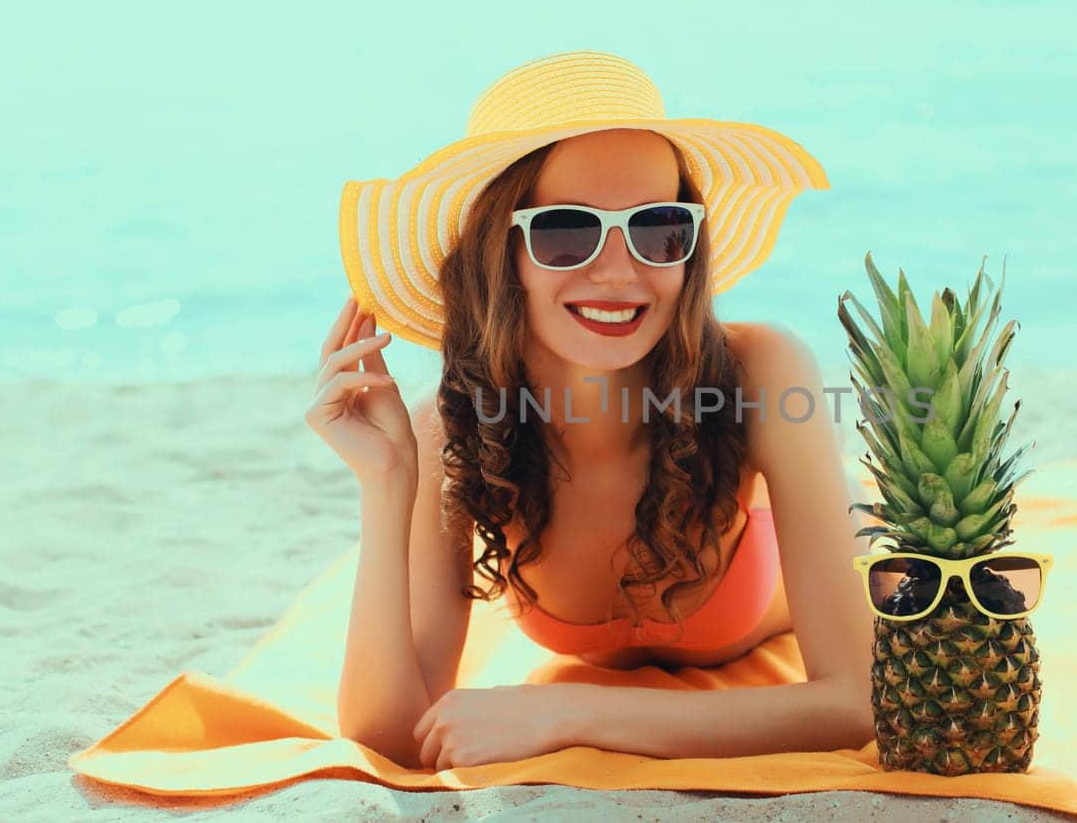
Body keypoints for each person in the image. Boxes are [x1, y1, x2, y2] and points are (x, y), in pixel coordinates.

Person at [306, 50, 873, 772]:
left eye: (658, 227)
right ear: (497, 252)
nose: (617, 271)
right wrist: (385, 485)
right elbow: (391, 737)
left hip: (843, 532)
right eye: (567, 230)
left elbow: (854, 702)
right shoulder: (453, 433)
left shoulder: (758, 374)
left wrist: (569, 712)